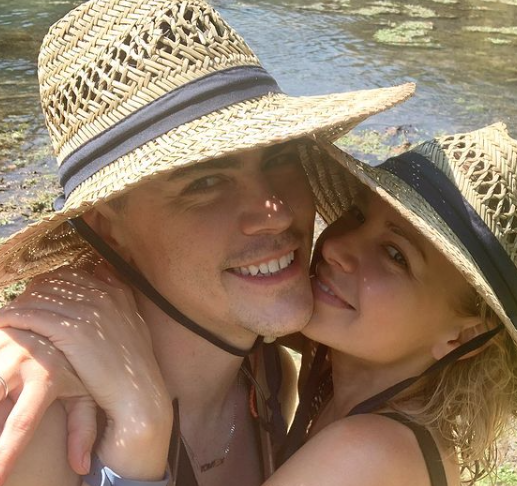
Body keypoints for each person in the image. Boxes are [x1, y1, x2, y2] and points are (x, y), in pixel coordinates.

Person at [0, 0, 414, 484]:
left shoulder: (267, 377)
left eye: (280, 156)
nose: (276, 213)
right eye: (204, 183)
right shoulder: (40, 419)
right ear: (108, 227)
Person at [260, 123, 517, 485]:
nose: (333, 248)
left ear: (463, 337)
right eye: (357, 214)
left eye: (395, 255)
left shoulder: (362, 455)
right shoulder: (347, 389)